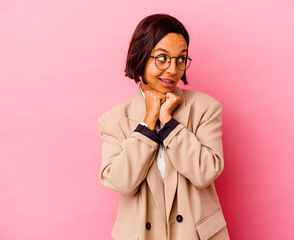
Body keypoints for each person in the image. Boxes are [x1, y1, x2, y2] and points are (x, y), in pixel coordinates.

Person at [97, 13, 230, 240]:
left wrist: (169, 123)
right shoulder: (113, 121)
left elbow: (206, 172)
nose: (172, 69)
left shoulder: (206, 108)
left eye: (181, 59)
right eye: (162, 58)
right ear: (141, 56)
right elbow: (121, 182)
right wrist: (148, 123)